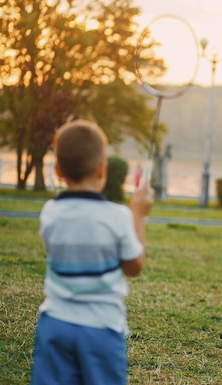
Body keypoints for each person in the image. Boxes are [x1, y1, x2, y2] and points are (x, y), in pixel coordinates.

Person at [30, 119, 155, 385]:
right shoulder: (118, 216)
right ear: (102, 170)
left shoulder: (50, 213)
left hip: (54, 324)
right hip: (101, 329)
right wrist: (139, 216)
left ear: (58, 170)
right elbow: (134, 267)